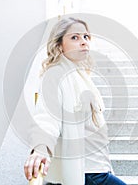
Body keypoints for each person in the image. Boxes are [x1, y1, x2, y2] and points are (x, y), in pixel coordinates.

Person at [24, 17, 126, 185]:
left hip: (97, 168)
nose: (84, 42)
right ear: (59, 45)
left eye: (86, 37)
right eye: (75, 37)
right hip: (87, 174)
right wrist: (41, 148)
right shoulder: (55, 74)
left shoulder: (80, 75)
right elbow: (47, 116)